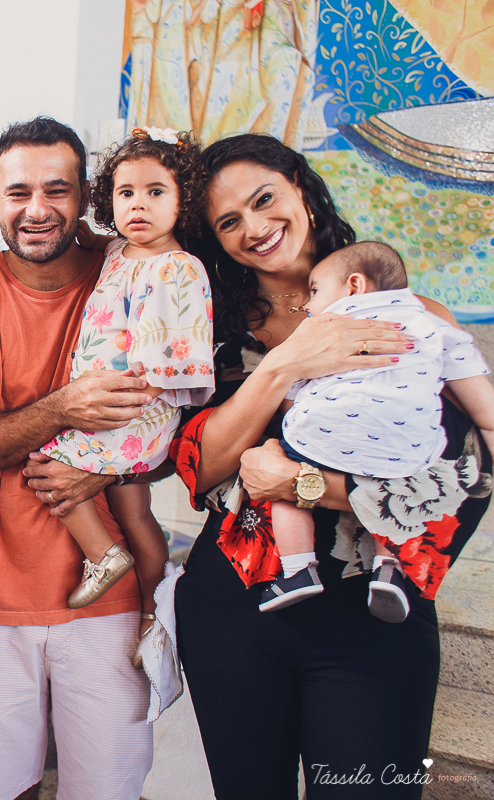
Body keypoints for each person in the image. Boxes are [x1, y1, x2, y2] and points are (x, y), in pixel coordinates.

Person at [171, 133, 489, 798]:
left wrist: (304, 485)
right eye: (230, 222)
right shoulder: (210, 335)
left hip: (377, 615)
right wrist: (289, 360)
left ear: (301, 189)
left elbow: (463, 478)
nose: (255, 228)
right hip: (232, 609)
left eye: (265, 200)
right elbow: (202, 472)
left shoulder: (408, 317)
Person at [0, 116, 156, 800]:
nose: (36, 209)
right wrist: (66, 407)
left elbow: (174, 426)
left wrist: (107, 468)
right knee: (0, 790)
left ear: (86, 194)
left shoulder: (133, 276)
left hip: (110, 601)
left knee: (111, 787)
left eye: (56, 190)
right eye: (17, 191)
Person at [36, 126, 213, 667]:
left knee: (46, 459)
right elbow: (94, 238)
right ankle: (153, 613)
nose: (138, 205)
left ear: (183, 201)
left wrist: (116, 407)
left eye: (155, 192)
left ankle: (103, 555)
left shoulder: (175, 267)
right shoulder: (121, 250)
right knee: (136, 513)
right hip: (111, 404)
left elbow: (174, 355)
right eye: (125, 192)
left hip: (133, 406)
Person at [260, 240, 494, 621]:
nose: (308, 304)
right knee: (404, 488)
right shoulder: (429, 322)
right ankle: (390, 570)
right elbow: (485, 410)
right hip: (407, 444)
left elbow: (291, 379)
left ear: (354, 286)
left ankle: (298, 570)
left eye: (316, 291)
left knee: (282, 483)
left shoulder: (325, 326)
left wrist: (292, 399)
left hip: (326, 434)